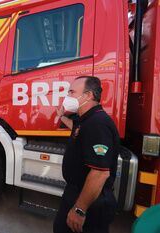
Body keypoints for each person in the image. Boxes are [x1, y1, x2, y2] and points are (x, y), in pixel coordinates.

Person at [53, 76, 119, 233]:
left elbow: (100, 173)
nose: (68, 97)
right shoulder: (85, 120)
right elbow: (76, 128)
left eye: (72, 92)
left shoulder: (98, 124)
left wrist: (79, 209)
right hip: (76, 193)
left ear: (88, 95)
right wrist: (61, 116)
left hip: (90, 203)